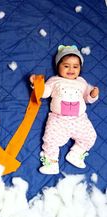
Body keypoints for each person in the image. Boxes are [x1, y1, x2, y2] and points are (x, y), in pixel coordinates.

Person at [30, 45, 99, 174]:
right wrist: (37, 85)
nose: (71, 69)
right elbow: (44, 92)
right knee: (49, 139)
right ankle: (51, 163)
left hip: (79, 119)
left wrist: (93, 95)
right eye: (66, 66)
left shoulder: (82, 82)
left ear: (80, 68)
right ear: (58, 67)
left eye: (75, 66)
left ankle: (75, 154)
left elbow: (87, 98)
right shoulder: (54, 81)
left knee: (90, 136)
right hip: (58, 119)